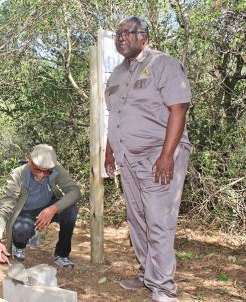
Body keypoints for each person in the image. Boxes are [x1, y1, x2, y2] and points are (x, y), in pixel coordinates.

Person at [104, 16, 192, 302]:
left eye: (128, 33)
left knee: (158, 221)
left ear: (144, 36)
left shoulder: (163, 64)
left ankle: (164, 289)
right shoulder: (116, 73)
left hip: (158, 157)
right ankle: (147, 274)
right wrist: (110, 151)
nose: (121, 38)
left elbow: (178, 109)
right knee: (137, 218)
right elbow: (115, 116)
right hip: (128, 159)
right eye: (118, 34)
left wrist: (167, 155)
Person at [0, 144, 80, 268]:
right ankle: (19, 245)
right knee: (21, 230)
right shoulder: (18, 174)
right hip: (26, 212)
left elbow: (75, 191)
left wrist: (53, 209)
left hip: (48, 206)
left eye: (47, 172)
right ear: (29, 160)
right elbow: (5, 206)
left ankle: (62, 254)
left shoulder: (57, 168)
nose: (41, 175)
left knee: (71, 211)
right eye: (37, 170)